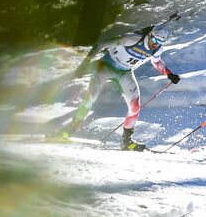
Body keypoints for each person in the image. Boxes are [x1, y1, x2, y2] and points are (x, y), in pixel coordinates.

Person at [66, 22, 181, 150]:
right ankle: (68, 131)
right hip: (105, 66)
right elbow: (101, 45)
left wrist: (169, 74)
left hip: (125, 72)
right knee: (91, 96)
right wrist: (84, 64)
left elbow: (157, 62)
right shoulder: (131, 39)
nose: (155, 44)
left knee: (135, 107)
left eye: (159, 42)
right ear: (149, 35)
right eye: (154, 39)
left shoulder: (157, 49)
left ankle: (126, 141)